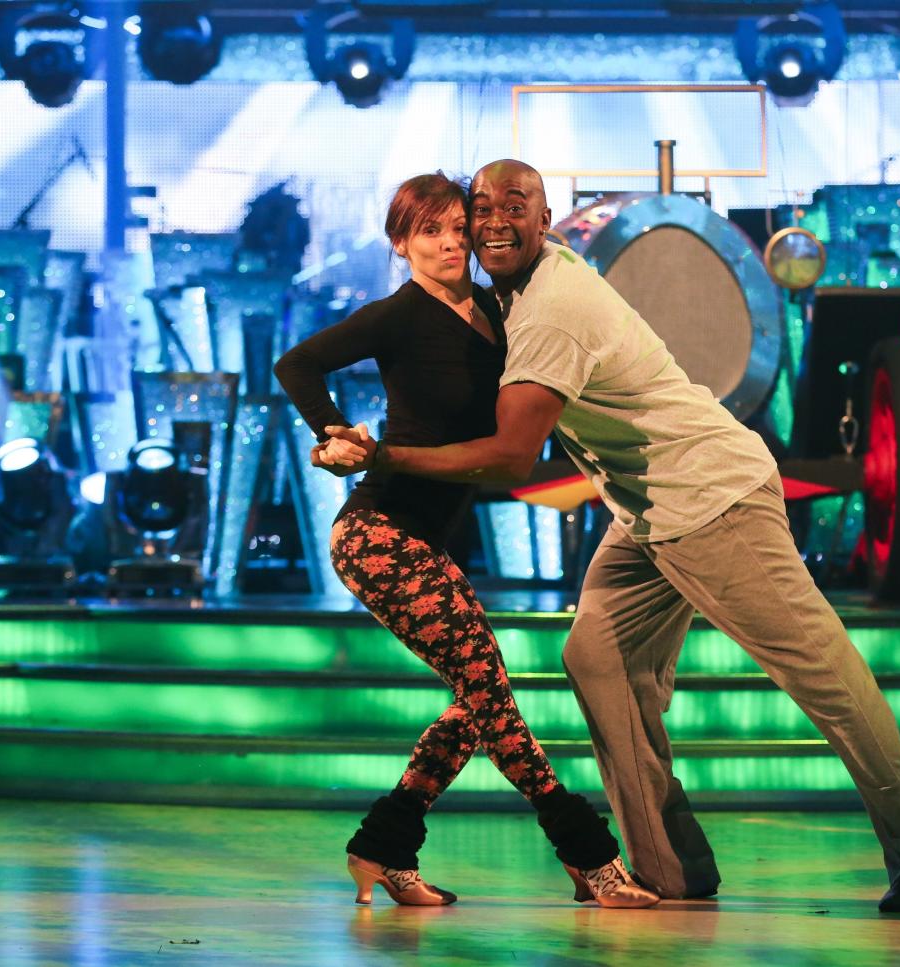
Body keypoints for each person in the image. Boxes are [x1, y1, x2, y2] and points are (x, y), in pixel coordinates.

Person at [316, 160, 900, 914]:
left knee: (821, 674)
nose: (494, 218)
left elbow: (511, 453)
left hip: (714, 498)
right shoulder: (516, 290)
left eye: (515, 204)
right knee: (596, 655)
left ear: (547, 215)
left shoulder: (549, 310)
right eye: (481, 206)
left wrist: (381, 455)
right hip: (649, 510)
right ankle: (669, 867)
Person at [274, 171, 658, 910]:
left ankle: (382, 847)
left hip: (430, 538)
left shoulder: (491, 306)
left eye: (458, 227)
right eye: (431, 232)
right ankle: (591, 857)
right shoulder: (398, 315)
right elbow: (297, 363)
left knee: (474, 699)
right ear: (401, 245)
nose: (452, 242)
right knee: (490, 692)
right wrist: (337, 437)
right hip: (379, 535)